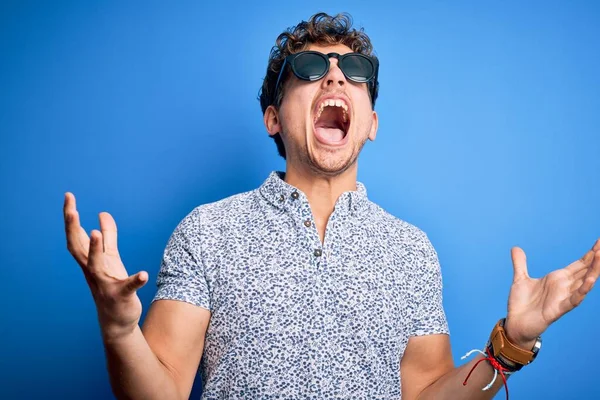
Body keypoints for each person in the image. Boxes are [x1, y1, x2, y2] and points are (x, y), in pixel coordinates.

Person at [64, 12, 600, 400]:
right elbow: (160, 393)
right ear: (273, 118)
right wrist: (117, 329)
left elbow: (426, 397)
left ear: (370, 124)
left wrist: (512, 343)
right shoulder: (206, 232)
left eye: (355, 71)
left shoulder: (410, 251)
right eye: (310, 66)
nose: (336, 76)